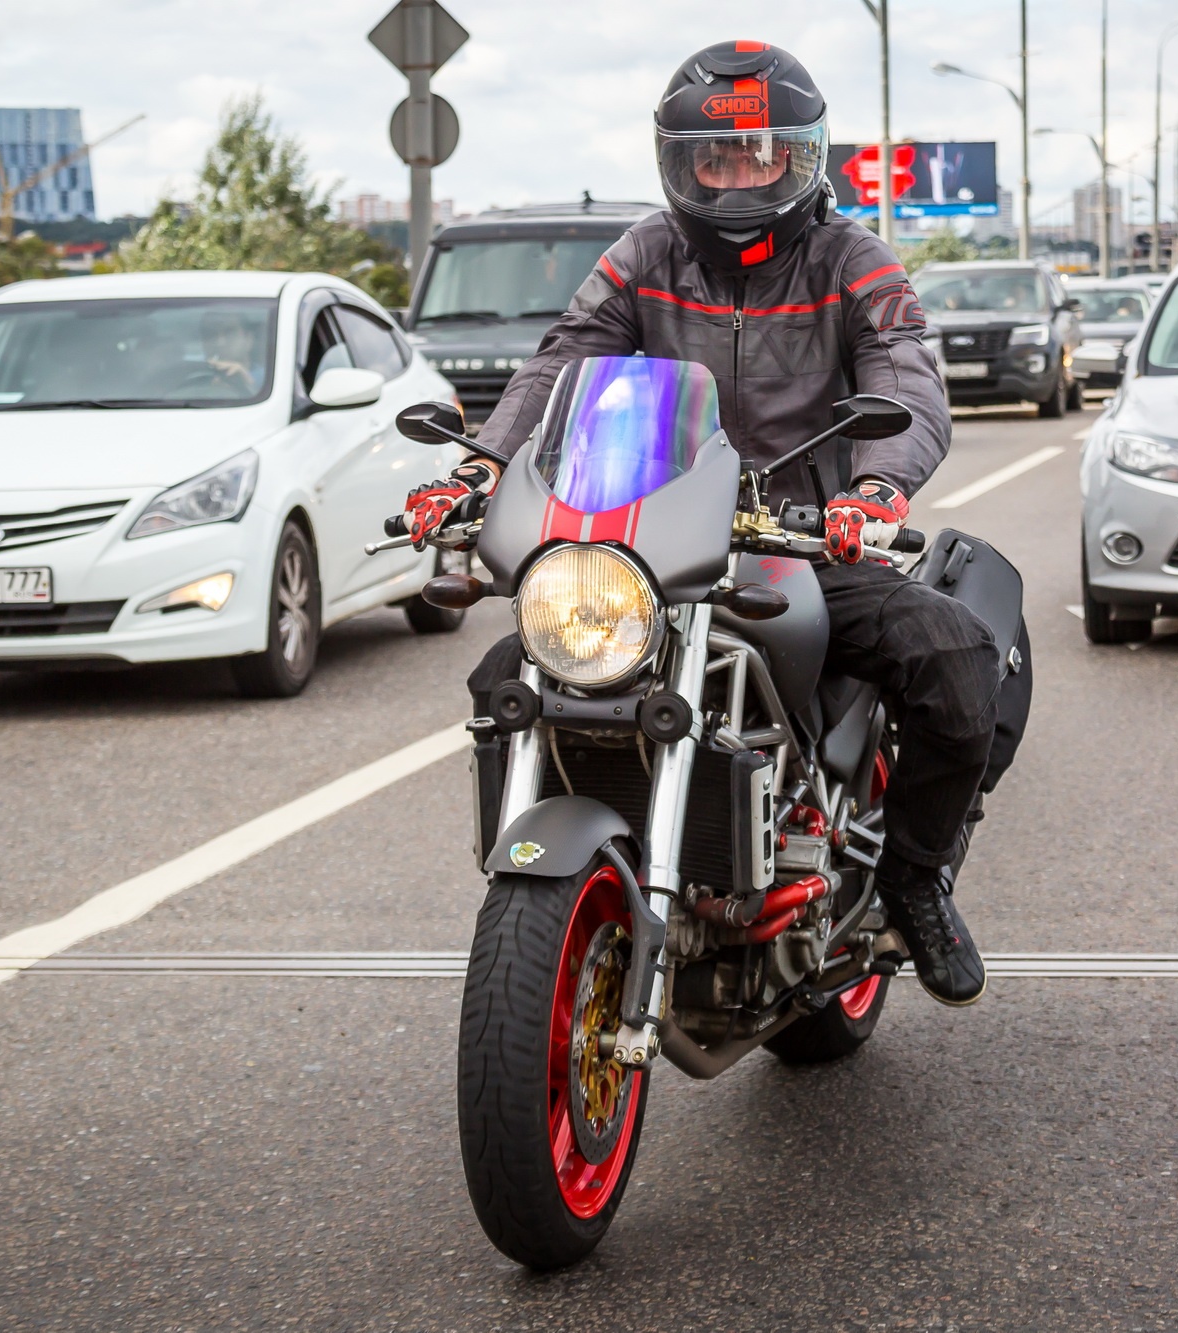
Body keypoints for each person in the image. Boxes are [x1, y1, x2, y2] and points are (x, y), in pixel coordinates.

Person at [403, 40, 1032, 1007]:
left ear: (800, 158)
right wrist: (480, 467)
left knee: (953, 656)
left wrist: (874, 490)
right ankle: (571, 887)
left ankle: (914, 877)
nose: (736, 176)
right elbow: (561, 360)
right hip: (651, 540)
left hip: (805, 541)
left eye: (758, 155)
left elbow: (907, 375)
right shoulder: (644, 255)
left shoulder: (852, 260)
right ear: (681, 164)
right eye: (714, 159)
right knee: (510, 673)